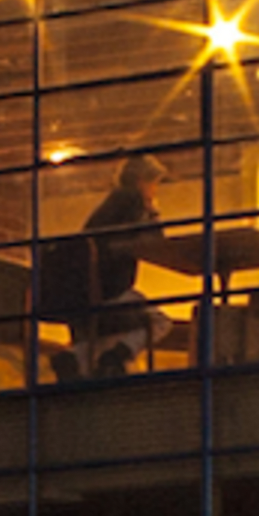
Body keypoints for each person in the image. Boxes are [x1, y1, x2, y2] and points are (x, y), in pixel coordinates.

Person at [67, 152, 172, 375]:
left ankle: (75, 356)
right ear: (142, 181)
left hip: (82, 293)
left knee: (105, 337)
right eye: (154, 184)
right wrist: (153, 213)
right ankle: (118, 355)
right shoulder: (133, 203)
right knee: (159, 322)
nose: (155, 191)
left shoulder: (105, 209)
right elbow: (157, 242)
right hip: (112, 289)